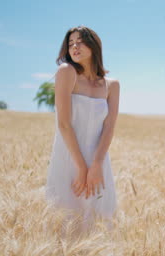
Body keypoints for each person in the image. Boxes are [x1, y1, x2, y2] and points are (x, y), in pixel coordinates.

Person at [45, 26, 119, 234]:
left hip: (99, 160)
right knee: (64, 222)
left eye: (80, 41)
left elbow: (109, 126)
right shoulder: (67, 72)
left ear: (94, 45)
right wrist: (81, 167)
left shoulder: (112, 85)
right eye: (70, 44)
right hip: (69, 159)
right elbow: (64, 124)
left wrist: (95, 165)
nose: (74, 46)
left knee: (98, 224)